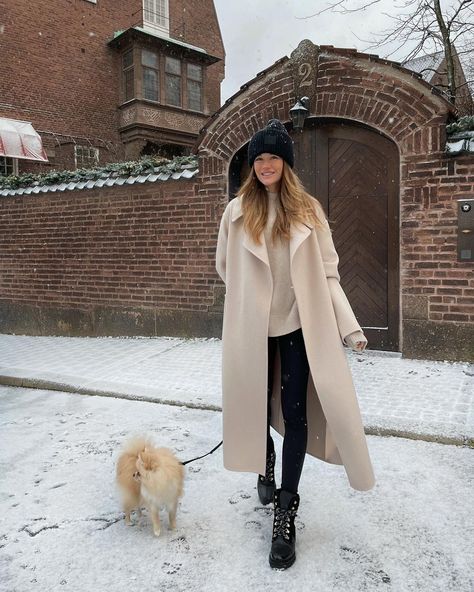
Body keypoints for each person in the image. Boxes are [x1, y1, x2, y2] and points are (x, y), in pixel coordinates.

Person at [215, 119, 375, 570]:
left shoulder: (309, 211)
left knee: (296, 410)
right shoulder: (235, 211)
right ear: (252, 166)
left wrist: (348, 326)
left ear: (286, 163)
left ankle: (286, 508)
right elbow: (225, 266)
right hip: (251, 328)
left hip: (299, 328)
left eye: (273, 157)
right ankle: (263, 457)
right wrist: (251, 301)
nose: (265, 165)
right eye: (259, 158)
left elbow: (328, 273)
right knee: (254, 406)